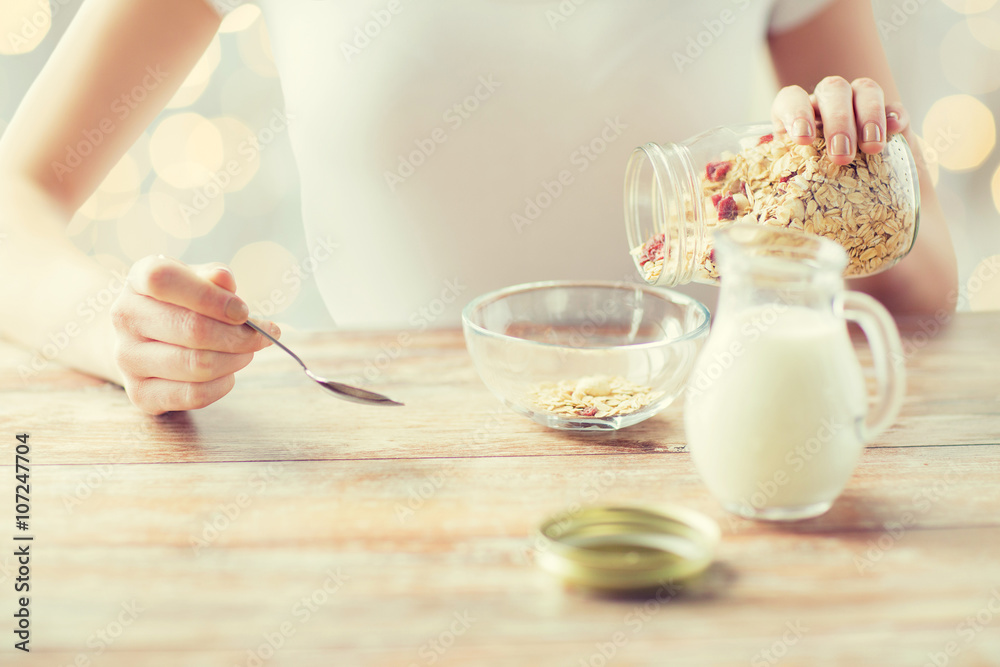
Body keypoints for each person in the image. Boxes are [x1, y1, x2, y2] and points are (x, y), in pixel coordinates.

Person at [0, 0, 957, 414]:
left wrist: (854, 185)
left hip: (699, 462)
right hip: (386, 470)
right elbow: (15, 202)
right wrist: (114, 330)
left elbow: (925, 290)